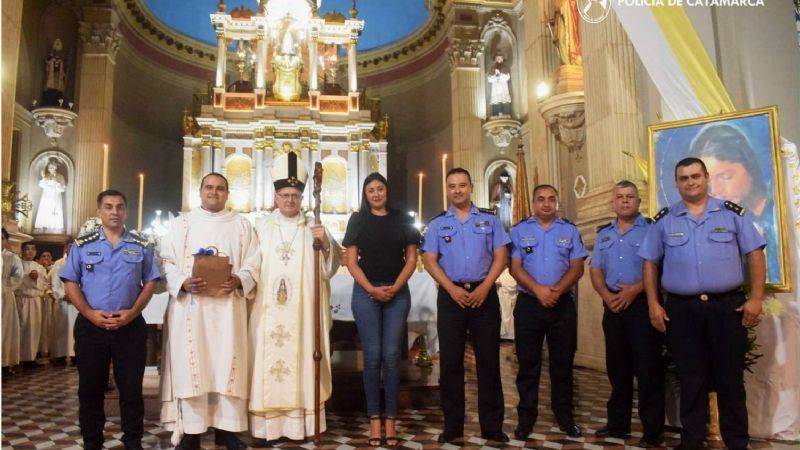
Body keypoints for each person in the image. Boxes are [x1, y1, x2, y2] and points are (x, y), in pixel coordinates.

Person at [639, 157, 766, 450]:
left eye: (695, 176)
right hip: (682, 310)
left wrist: (756, 298)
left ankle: (737, 443)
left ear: (706, 177)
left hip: (726, 308)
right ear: (676, 183)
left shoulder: (731, 214)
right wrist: (653, 304)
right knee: (690, 378)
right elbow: (650, 263)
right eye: (684, 178)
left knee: (730, 380)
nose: (690, 182)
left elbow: (755, 254)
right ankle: (692, 441)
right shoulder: (665, 220)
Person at [159, 173, 260, 450]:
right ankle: (191, 432)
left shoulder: (242, 225)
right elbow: (165, 260)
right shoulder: (182, 225)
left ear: (227, 193)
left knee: (228, 364)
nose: (214, 192)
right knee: (194, 365)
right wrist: (182, 281)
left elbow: (254, 262)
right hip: (191, 309)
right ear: (200, 191)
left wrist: (239, 279)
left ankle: (228, 430)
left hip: (228, 310)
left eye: (220, 188)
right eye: (209, 187)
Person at [249, 152, 342, 441]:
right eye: (285, 194)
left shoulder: (314, 229)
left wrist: (326, 244)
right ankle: (268, 428)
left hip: (302, 317)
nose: (290, 199)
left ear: (302, 198)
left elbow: (332, 265)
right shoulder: (260, 228)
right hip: (266, 313)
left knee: (302, 361)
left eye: (295, 195)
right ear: (275, 197)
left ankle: (301, 425)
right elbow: (249, 265)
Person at [60, 190, 161, 450]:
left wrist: (133, 312)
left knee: (130, 390)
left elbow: (151, 280)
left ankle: (133, 442)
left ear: (125, 211)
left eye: (119, 207)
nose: (114, 211)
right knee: (90, 389)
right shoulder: (83, 244)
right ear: (99, 212)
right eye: (108, 207)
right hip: (91, 326)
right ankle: (92, 442)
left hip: (129, 326)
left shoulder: (141, 244)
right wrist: (89, 313)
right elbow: (70, 281)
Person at [421, 167, 510, 444]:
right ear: (447, 189)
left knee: (488, 362)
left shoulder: (489, 220)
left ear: (470, 186)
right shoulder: (437, 224)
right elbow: (429, 260)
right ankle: (453, 426)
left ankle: (492, 427)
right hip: (451, 298)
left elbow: (501, 255)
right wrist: (451, 289)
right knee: (450, 364)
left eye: (462, 185)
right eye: (452, 186)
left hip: (484, 295)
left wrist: (485, 287)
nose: (457, 190)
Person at [342, 172, 420, 447]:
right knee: (373, 356)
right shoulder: (358, 219)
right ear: (365, 194)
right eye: (371, 190)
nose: (376, 194)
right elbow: (351, 262)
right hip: (366, 293)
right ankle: (375, 418)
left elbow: (411, 259)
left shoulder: (402, 218)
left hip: (397, 293)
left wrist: (396, 287)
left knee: (390, 356)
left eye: (380, 189)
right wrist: (371, 289)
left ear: (387, 191)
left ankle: (391, 419)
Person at [508, 184, 587, 440]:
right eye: (541, 199)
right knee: (528, 366)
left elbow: (577, 268)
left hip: (561, 305)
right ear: (533, 202)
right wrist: (539, 290)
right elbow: (515, 267)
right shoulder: (519, 231)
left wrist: (555, 291)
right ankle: (526, 419)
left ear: (557, 203)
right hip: (530, 304)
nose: (546, 204)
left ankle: (565, 417)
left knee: (562, 365)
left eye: (551, 199)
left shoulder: (569, 230)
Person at [589, 180, 664, 447]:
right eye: (619, 197)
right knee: (617, 370)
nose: (624, 201)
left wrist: (634, 290)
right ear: (613, 202)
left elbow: (658, 267)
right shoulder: (604, 234)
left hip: (642, 306)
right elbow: (595, 269)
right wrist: (608, 297)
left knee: (648, 371)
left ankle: (653, 431)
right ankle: (618, 425)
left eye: (630, 196)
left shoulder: (652, 230)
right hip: (613, 309)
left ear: (638, 201)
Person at [690, 124, 779, 283]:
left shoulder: (779, 211)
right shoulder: (715, 216)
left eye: (725, 176)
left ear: (749, 167)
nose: (715, 190)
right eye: (708, 181)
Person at [16, 242, 47, 365]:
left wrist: (37, 278)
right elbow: (16, 280)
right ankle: (18, 357)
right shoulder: (18, 264)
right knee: (21, 328)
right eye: (27, 249)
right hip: (22, 299)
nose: (30, 252)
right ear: (22, 250)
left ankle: (31, 357)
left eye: (33, 249)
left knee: (34, 328)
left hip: (35, 301)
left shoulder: (39, 267)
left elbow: (44, 283)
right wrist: (28, 277)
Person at [49, 239, 78, 363]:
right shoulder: (58, 264)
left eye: (74, 246)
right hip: (63, 301)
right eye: (69, 246)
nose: (71, 249)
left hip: (77, 302)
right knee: (62, 328)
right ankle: (60, 355)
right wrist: (63, 295)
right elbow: (54, 283)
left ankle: (75, 355)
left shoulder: (81, 261)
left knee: (75, 329)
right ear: (65, 248)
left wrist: (76, 296)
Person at [2, 228, 23, 374]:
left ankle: (4, 363)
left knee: (4, 329)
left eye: (2, 238)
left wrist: (6, 284)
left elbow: (19, 275)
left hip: (4, 296)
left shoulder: (11, 257)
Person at [34, 159, 67, 233]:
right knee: (45, 210)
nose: (50, 169)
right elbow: (41, 185)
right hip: (46, 196)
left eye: (52, 167)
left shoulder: (60, 176)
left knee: (55, 211)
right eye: (49, 168)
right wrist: (44, 178)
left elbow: (62, 188)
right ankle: (44, 227)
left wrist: (55, 182)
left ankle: (55, 228)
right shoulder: (47, 176)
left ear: (55, 167)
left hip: (55, 197)